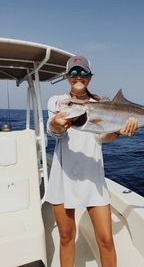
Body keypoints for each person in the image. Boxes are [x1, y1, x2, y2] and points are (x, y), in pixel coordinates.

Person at [46, 55, 138, 267]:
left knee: (106, 240)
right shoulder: (58, 101)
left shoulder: (102, 104)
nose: (79, 77)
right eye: (74, 72)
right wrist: (58, 123)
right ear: (67, 76)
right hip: (63, 177)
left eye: (83, 72)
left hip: (93, 178)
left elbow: (104, 137)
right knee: (66, 237)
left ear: (90, 76)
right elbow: (55, 131)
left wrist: (118, 132)